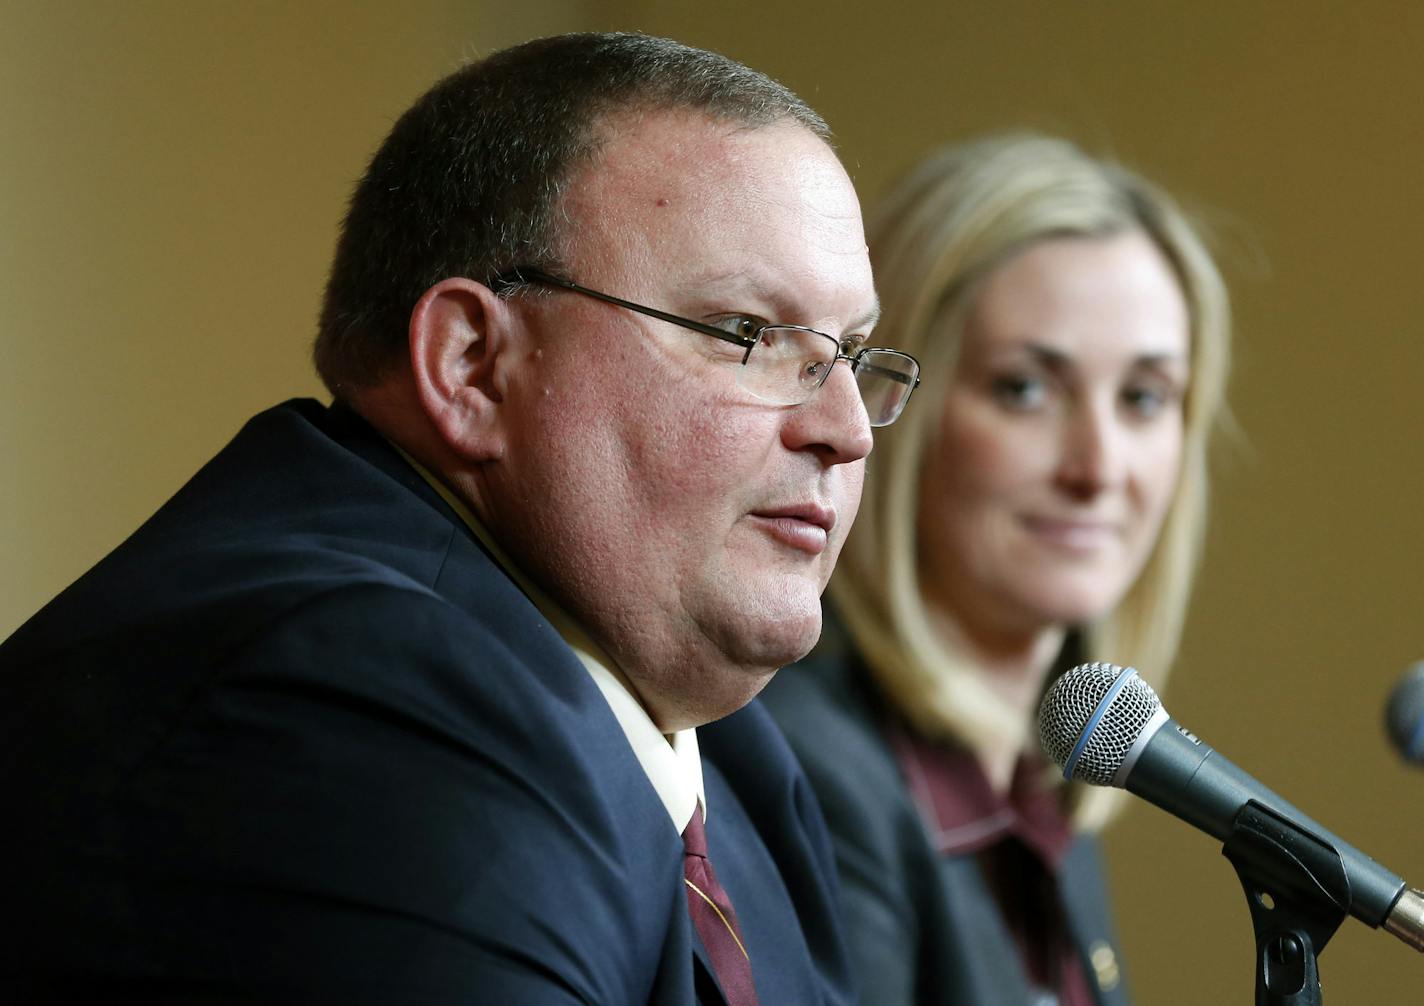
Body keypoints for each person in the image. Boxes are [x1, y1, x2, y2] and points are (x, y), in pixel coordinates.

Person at [0, 33, 921, 1004]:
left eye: (851, 351)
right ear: (471, 366)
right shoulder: (351, 694)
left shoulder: (741, 773)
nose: (844, 429)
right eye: (748, 334)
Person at [760, 133, 1232, 1005]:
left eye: (1143, 398)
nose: (1097, 468)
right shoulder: (810, 771)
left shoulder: (1053, 775)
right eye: (1025, 389)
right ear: (887, 402)